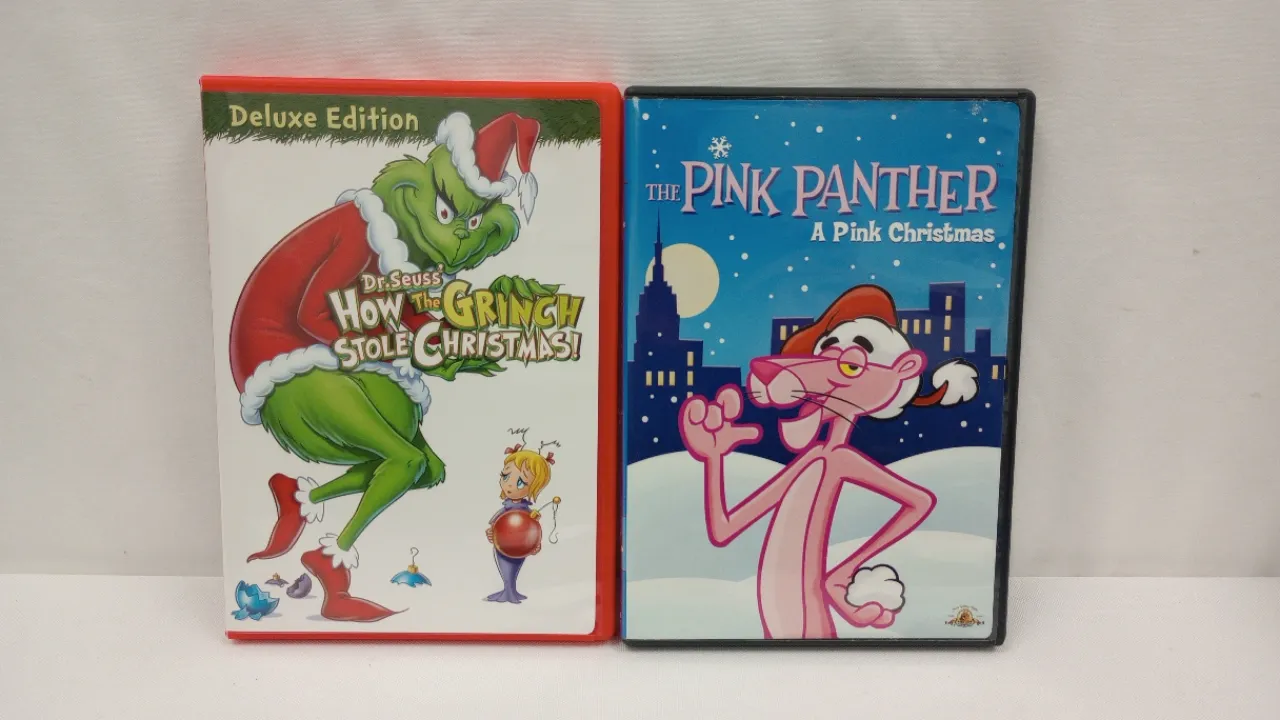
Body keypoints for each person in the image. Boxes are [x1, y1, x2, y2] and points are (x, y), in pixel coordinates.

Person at [484, 445, 553, 603]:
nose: (509, 484)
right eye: (505, 476)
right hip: (501, 546)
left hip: (519, 547)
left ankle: (510, 591)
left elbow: (533, 530)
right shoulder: (506, 509)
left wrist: (535, 545)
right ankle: (508, 590)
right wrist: (491, 533)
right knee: (505, 568)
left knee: (513, 568)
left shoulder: (527, 513)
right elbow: (494, 524)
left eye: (521, 482)